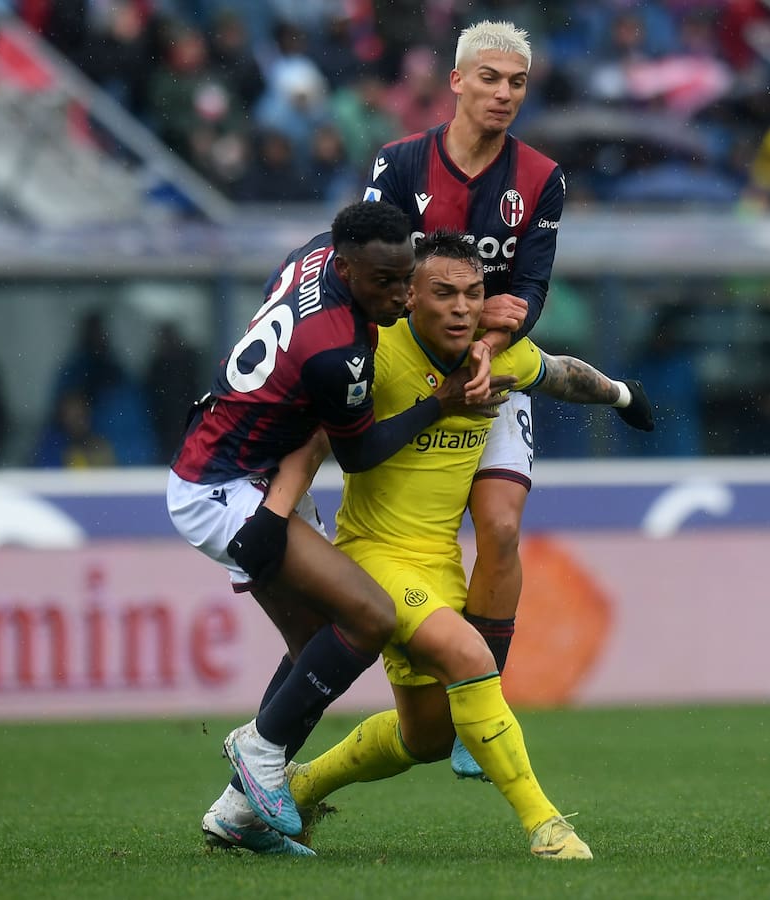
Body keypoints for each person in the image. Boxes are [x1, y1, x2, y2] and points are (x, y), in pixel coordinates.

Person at [212, 230, 654, 860]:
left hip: (438, 564)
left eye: (472, 294)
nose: (460, 308)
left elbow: (557, 375)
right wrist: (275, 515)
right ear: (409, 298)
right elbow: (311, 443)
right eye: (443, 293)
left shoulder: (496, 354)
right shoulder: (373, 353)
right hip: (373, 557)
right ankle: (546, 826)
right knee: (472, 658)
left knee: (424, 737)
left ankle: (299, 787)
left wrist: (622, 395)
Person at [168, 202, 511, 856]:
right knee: (369, 618)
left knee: (314, 643)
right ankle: (261, 748)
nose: (400, 295)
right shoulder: (342, 353)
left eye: (404, 277)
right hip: (225, 487)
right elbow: (355, 452)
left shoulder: (315, 254)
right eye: (384, 283)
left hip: (244, 464)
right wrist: (438, 404)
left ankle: (239, 816)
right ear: (348, 269)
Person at [362, 19, 633, 779]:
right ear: (456, 82)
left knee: (502, 528)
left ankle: (481, 703)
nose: (504, 94)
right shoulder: (397, 165)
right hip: (404, 368)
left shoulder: (542, 177)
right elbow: (370, 268)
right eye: (489, 79)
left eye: (517, 82)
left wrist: (485, 347)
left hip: (494, 365)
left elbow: (530, 289)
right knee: (397, 531)